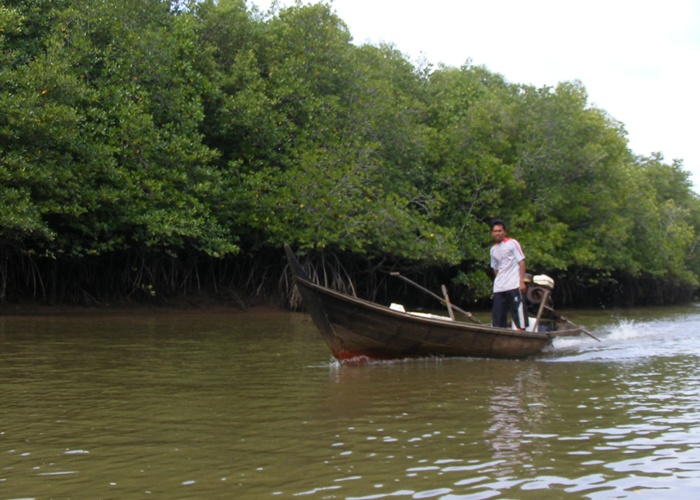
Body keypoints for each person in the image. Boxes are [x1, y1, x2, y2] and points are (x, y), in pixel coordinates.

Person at [489, 219, 528, 330]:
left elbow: (521, 262)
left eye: (500, 231)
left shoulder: (512, 243)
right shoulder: (493, 249)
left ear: (504, 232)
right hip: (499, 287)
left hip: (514, 285)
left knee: (518, 314)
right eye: (495, 231)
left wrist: (521, 281)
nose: (497, 233)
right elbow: (495, 268)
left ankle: (521, 334)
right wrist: (500, 279)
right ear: (492, 233)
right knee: (498, 317)